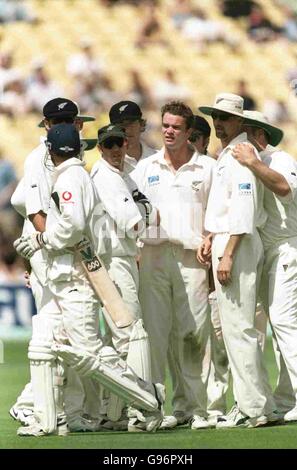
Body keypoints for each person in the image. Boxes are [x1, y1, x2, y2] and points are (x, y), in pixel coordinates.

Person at [14, 123, 165, 436]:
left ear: (51, 152)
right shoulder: (77, 175)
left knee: (89, 354)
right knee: (43, 345)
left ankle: (148, 401)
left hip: (74, 279)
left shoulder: (70, 178)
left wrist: (40, 240)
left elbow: (73, 225)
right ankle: (49, 420)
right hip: (64, 279)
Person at [10, 98, 99, 433]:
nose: (68, 124)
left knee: (64, 333)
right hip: (50, 255)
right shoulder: (40, 157)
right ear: (46, 124)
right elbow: (28, 204)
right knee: (54, 332)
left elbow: (24, 200)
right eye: (60, 120)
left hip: (58, 251)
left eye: (71, 119)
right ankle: (34, 406)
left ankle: (62, 408)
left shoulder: (68, 159)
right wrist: (46, 234)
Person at [130, 101, 215, 430]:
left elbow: (218, 212)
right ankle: (153, 407)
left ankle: (195, 408)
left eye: (176, 127)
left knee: (192, 333)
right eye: (165, 125)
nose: (168, 131)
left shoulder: (206, 168)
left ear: (188, 131)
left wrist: (210, 237)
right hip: (152, 256)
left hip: (191, 258)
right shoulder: (145, 168)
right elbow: (129, 212)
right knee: (155, 333)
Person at [197, 93, 278, 428]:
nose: (219, 123)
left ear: (240, 122)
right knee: (237, 328)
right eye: (216, 116)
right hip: (230, 241)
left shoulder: (240, 156)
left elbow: (242, 212)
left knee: (238, 328)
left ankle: (252, 407)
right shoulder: (230, 154)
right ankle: (261, 404)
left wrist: (227, 253)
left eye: (226, 117)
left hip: (238, 244)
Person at [91, 124, 164, 431]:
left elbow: (151, 214)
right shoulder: (106, 177)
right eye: (109, 145)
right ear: (100, 148)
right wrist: (145, 212)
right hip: (114, 261)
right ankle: (139, 409)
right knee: (130, 334)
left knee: (120, 338)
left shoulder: (123, 174)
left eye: (119, 143)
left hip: (120, 259)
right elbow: (137, 222)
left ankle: (115, 411)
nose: (116, 149)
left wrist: (145, 212)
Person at [231, 110, 297, 421]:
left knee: (284, 322)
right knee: (277, 323)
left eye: (245, 133)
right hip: (267, 252)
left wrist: (253, 162)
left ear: (259, 136)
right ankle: (284, 398)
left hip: (287, 249)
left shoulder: (279, 159)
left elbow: (284, 189)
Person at [189, 115, 230, 425]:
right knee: (193, 342)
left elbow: (224, 214)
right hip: (187, 267)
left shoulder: (214, 168)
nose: (188, 144)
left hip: (214, 265)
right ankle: (196, 407)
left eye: (194, 138)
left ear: (203, 140)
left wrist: (212, 239)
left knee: (219, 344)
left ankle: (216, 406)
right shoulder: (171, 170)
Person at [109, 100, 155, 174]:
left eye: (131, 123)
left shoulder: (158, 159)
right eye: (121, 125)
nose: (126, 130)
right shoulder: (105, 166)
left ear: (141, 124)